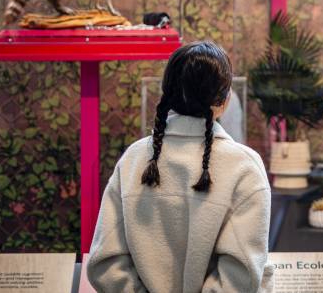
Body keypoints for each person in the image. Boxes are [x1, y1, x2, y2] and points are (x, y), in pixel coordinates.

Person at [87, 41, 274, 293]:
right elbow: (240, 275)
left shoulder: (133, 159)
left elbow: (105, 264)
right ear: (225, 98)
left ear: (167, 92)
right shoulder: (245, 167)